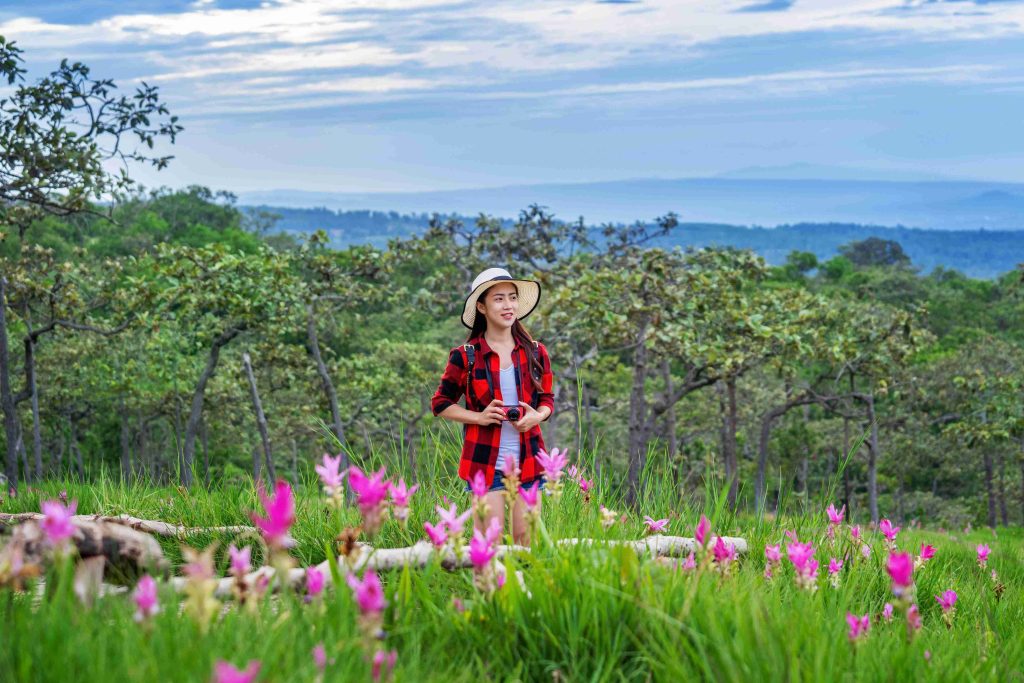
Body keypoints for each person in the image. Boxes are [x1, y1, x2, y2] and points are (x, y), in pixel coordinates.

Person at [430, 267, 554, 546]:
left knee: (527, 544)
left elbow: (547, 399)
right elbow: (441, 404)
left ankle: (524, 591)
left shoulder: (535, 351)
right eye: (499, 299)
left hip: (530, 460)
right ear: (482, 306)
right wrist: (479, 417)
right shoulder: (466, 356)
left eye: (512, 297)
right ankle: (487, 591)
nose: (508, 305)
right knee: (489, 543)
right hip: (485, 463)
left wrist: (537, 416)